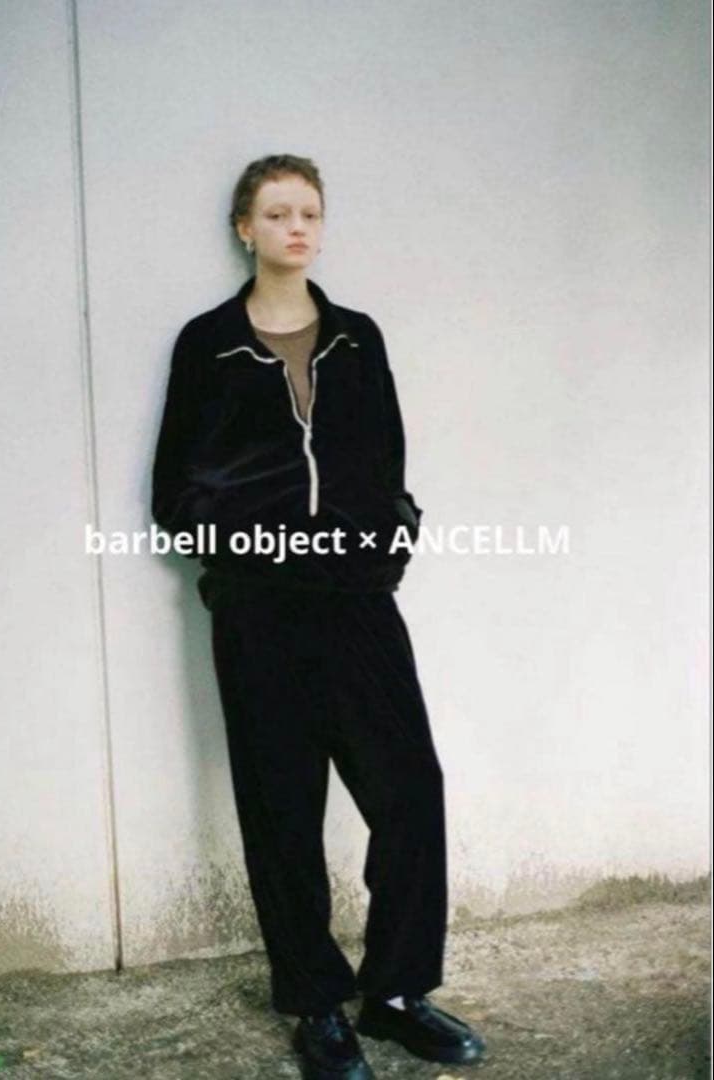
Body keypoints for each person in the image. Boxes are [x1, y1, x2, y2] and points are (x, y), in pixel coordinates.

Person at [151, 154, 486, 1079]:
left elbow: (387, 464)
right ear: (244, 229)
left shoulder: (357, 339)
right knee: (283, 810)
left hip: (356, 603)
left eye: (309, 212)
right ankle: (315, 1006)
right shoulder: (208, 344)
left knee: (409, 792)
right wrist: (244, 551)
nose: (296, 227)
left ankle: (395, 993)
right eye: (276, 213)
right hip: (258, 610)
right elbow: (173, 489)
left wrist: (386, 546)